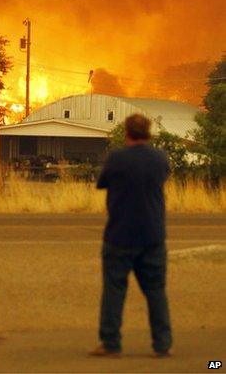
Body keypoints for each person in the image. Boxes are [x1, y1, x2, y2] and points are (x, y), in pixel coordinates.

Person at [90, 113, 172, 358]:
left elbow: (101, 183)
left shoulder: (117, 158)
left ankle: (110, 342)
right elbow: (164, 176)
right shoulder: (159, 158)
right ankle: (163, 344)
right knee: (156, 291)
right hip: (152, 236)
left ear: (127, 132)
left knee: (114, 291)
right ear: (148, 133)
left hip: (119, 235)